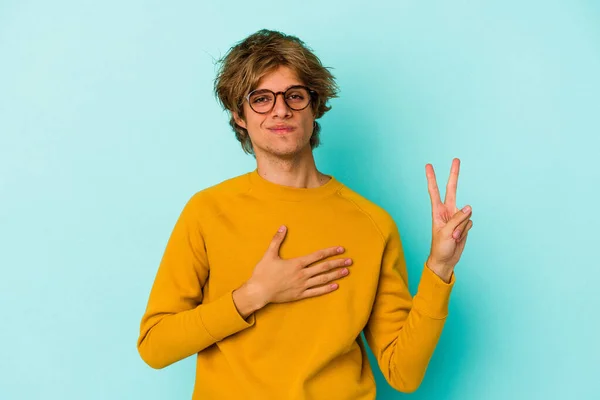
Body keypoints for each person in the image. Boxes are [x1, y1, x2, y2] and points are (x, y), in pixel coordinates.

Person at [137, 29, 473, 400]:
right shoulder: (208, 211)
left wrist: (439, 270)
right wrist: (254, 294)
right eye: (261, 99)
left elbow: (402, 373)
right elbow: (155, 346)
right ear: (239, 116)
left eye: (294, 96)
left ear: (315, 106)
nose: (281, 109)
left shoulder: (373, 223)